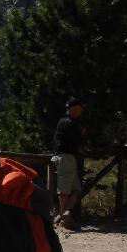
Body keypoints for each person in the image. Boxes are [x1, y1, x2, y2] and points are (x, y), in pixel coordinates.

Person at [52, 97, 85, 229]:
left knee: (76, 189)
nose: (81, 111)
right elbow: (75, 141)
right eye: (80, 108)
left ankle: (62, 214)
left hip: (62, 157)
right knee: (65, 190)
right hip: (67, 157)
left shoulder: (62, 122)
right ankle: (64, 216)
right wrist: (82, 134)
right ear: (74, 109)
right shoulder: (70, 123)